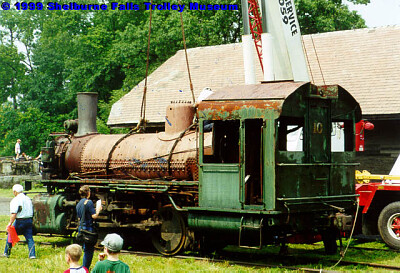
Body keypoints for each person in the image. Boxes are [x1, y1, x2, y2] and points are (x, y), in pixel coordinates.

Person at [3, 184, 36, 259]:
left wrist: (10, 224)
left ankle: (6, 253)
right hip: (29, 220)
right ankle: (32, 255)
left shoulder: (15, 200)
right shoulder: (28, 199)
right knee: (29, 238)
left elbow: (14, 213)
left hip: (20, 221)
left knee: (11, 236)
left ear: (15, 192)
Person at [76, 185, 101, 270]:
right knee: (89, 250)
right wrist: (98, 209)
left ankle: (83, 267)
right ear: (88, 193)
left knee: (85, 248)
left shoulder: (78, 204)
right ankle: (85, 268)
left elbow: (79, 217)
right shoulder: (89, 202)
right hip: (88, 229)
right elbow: (94, 216)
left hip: (81, 228)